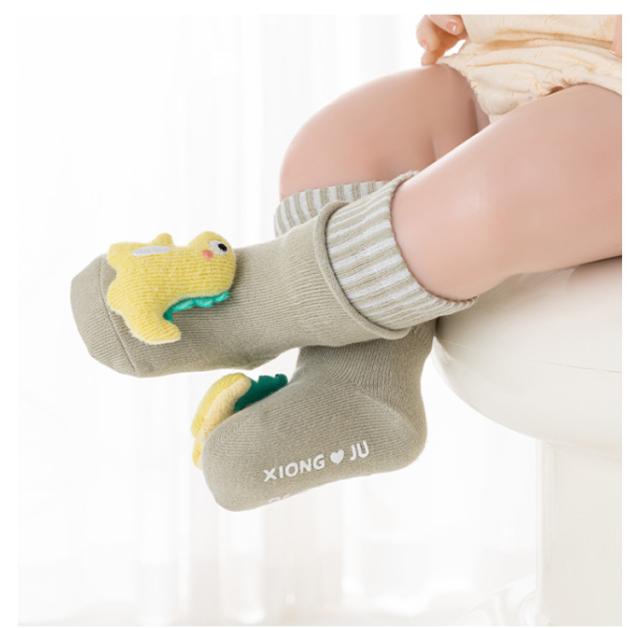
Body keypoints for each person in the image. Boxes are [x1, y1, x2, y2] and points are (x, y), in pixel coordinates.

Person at [71, 15, 621, 510]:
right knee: (338, 144)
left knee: (495, 191)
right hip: (518, 57)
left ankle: (259, 301)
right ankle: (357, 388)